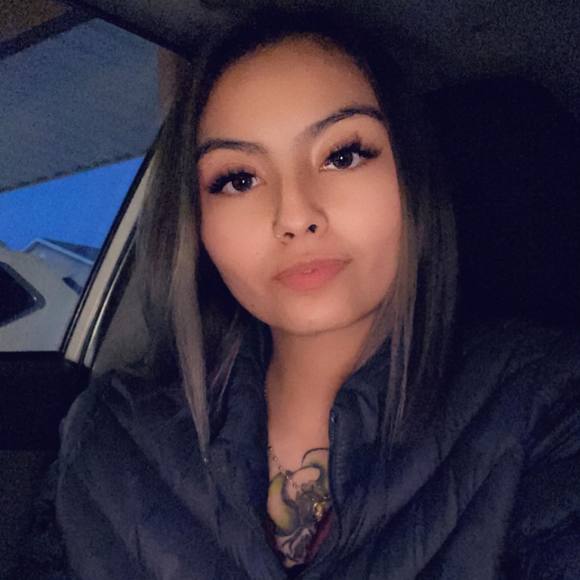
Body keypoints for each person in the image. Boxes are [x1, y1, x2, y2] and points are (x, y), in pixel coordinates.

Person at [22, 6, 580, 579]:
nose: (294, 216)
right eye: (238, 179)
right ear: (196, 222)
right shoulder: (112, 440)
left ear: (412, 176)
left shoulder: (545, 402)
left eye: (343, 155)